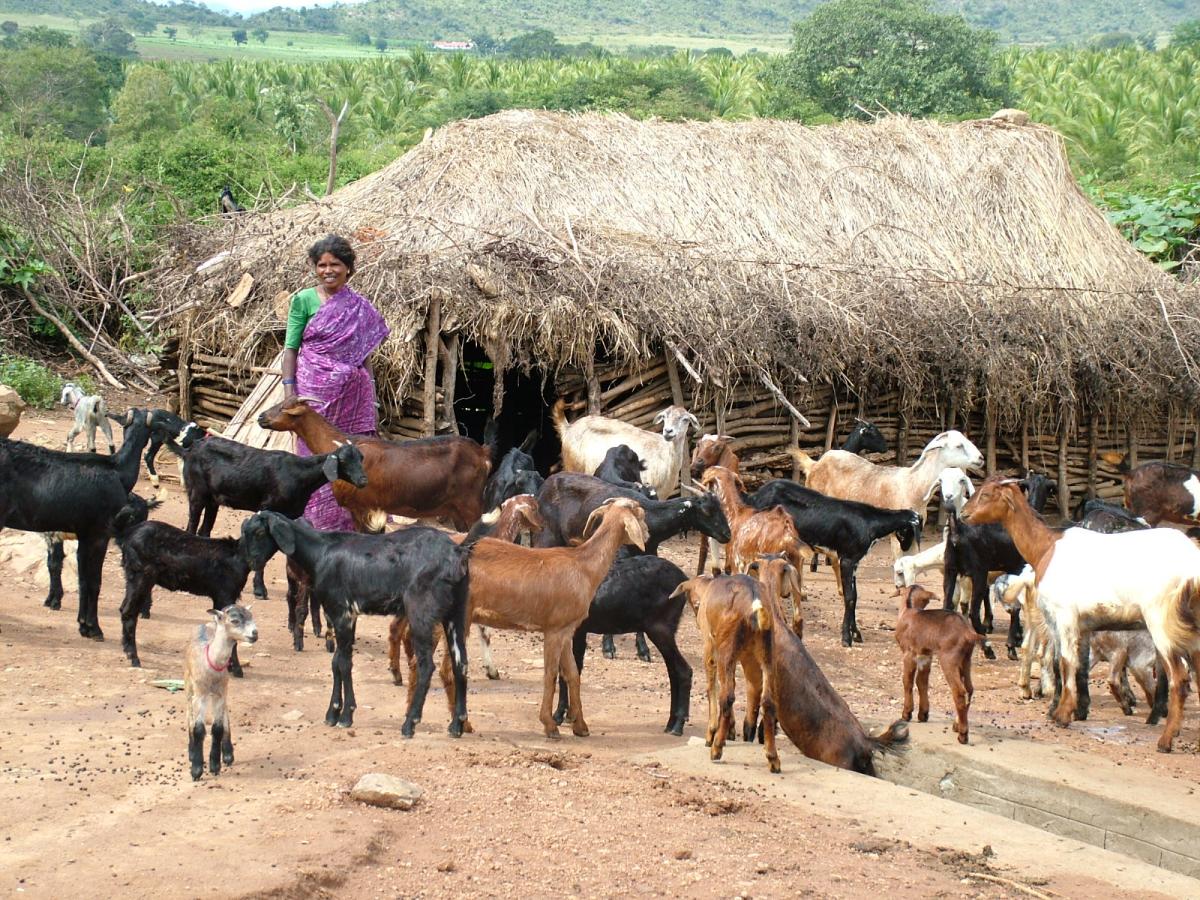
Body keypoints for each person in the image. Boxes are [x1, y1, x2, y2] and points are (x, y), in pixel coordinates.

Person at [282, 233, 389, 531]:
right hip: (313, 395)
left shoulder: (360, 307)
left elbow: (365, 357)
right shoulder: (303, 300)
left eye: (335, 264)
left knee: (356, 457)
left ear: (348, 268)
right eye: (321, 265)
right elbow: (291, 349)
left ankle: (355, 527)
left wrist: (372, 399)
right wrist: (290, 392)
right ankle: (317, 528)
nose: (328, 270)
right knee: (314, 458)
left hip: (354, 398)